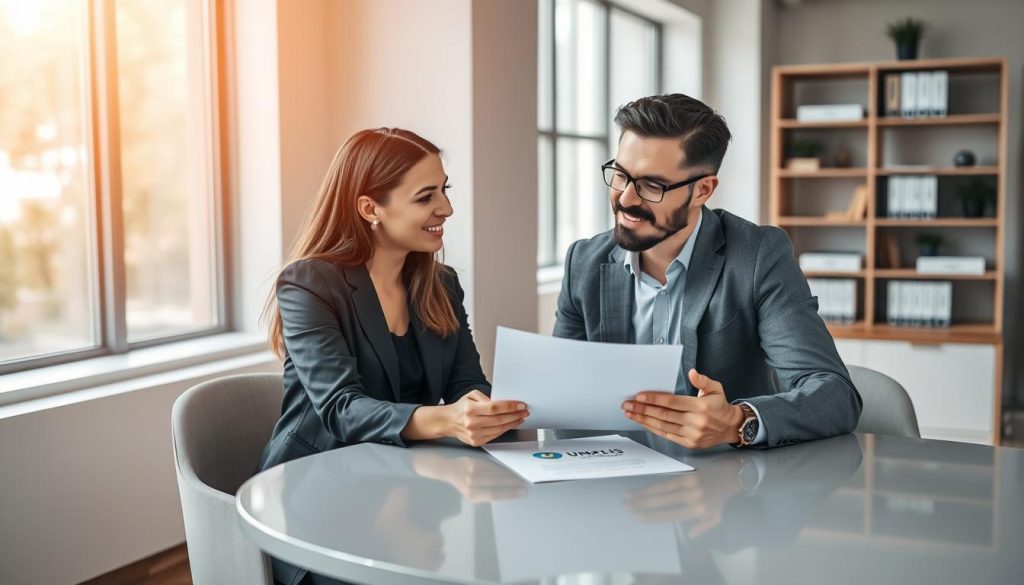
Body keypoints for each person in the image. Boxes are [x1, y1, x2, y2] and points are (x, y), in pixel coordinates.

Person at [258, 127, 529, 585]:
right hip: (321, 496)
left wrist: (479, 409)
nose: (446, 208)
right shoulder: (308, 284)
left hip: (409, 483)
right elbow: (342, 410)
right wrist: (449, 421)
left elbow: (466, 381)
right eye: (426, 197)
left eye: (444, 190)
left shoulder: (442, 284)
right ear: (370, 209)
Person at [553, 94, 861, 450]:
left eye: (652, 186)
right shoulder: (584, 262)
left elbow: (836, 396)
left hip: (730, 488)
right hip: (614, 484)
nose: (625, 199)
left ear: (702, 190)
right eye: (621, 175)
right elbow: (562, 393)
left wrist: (736, 421)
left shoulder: (758, 257)